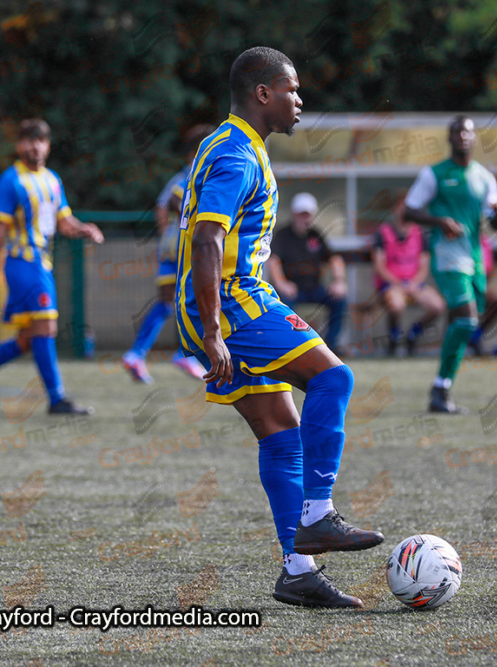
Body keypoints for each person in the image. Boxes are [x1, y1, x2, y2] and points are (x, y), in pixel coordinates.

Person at [176, 46, 383, 608]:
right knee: (334, 380)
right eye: (292, 89)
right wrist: (214, 328)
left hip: (227, 301)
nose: (300, 100)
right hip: (232, 302)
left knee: (280, 431)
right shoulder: (237, 152)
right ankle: (318, 515)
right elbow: (206, 238)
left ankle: (299, 572)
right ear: (263, 94)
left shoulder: (237, 145)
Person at [0, 119, 104, 416]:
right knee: (46, 328)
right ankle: (56, 399)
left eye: (41, 140)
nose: (36, 146)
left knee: (27, 339)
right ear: (19, 145)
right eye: (30, 140)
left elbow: (63, 222)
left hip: (41, 265)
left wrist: (84, 228)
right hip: (22, 263)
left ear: (48, 145)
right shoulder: (11, 180)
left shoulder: (52, 180)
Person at [404, 116, 497, 413]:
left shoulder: (485, 177)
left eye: (468, 132)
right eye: (458, 131)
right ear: (450, 138)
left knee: (461, 323)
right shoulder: (434, 174)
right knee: (467, 320)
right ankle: (439, 388)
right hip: (447, 258)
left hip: (475, 259)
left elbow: (496, 224)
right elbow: (409, 212)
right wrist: (440, 221)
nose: (463, 136)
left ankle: (442, 391)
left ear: (474, 139)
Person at [121, 126, 215, 384]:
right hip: (186, 250)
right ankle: (188, 354)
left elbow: (161, 208)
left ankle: (137, 354)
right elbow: (175, 202)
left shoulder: (179, 176)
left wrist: (167, 234)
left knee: (167, 303)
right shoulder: (196, 175)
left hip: (171, 248)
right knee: (202, 301)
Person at [269, 192, 348, 353]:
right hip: (292, 290)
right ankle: (288, 347)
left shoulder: (316, 235)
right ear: (294, 214)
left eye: (307, 215)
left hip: (313, 289)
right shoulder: (283, 235)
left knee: (339, 300)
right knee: (282, 307)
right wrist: (282, 283)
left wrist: (339, 281)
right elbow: (273, 261)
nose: (304, 219)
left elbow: (334, 259)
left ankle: (331, 345)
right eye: (301, 214)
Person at [371, 193, 443, 356]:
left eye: (409, 208)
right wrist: (399, 283)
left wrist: (413, 283)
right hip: (391, 285)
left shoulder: (420, 234)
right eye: (401, 206)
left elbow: (424, 266)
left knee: (438, 306)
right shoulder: (383, 233)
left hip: (414, 284)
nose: (405, 211)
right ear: (394, 209)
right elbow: (379, 267)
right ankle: (394, 337)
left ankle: (413, 333)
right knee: (397, 305)